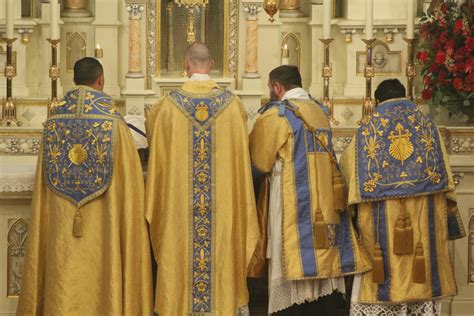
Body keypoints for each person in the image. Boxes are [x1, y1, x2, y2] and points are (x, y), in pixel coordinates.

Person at [16, 57, 153, 315]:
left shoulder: (54, 123)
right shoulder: (114, 125)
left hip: (61, 222)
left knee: (62, 263)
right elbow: (131, 185)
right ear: (100, 81)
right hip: (104, 226)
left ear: (74, 81)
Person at [145, 42, 259, 315]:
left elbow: (154, 144)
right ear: (211, 65)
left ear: (186, 65)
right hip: (222, 210)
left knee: (177, 247)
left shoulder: (167, 107)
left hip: (179, 208)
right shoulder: (233, 106)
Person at [248, 65, 371, 315]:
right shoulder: (319, 110)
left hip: (292, 202)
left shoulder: (276, 115)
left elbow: (259, 161)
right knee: (321, 261)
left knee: (290, 263)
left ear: (277, 87)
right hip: (324, 202)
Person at [339, 79, 466, 315]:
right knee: (422, 275)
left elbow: (348, 181)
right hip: (422, 225)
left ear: (377, 102)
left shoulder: (365, 134)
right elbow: (448, 186)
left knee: (383, 277)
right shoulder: (430, 129)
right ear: (406, 96)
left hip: (380, 224)